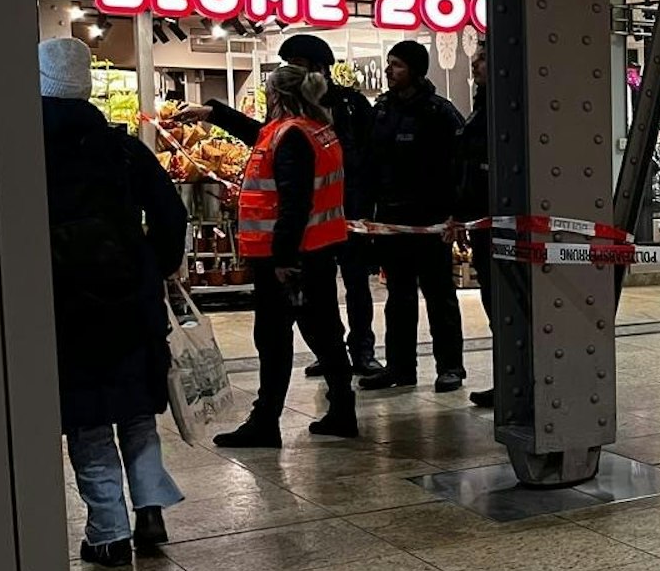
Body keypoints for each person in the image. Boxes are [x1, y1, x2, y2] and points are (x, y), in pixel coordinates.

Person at [42, 38, 189, 566]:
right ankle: (151, 507)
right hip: (130, 300)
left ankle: (107, 532)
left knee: (87, 417)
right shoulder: (124, 148)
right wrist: (154, 265)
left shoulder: (27, 150)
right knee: (133, 409)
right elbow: (172, 216)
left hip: (63, 304)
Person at [172, 66, 359, 447]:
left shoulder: (291, 136)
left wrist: (284, 260)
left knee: (274, 338)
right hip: (315, 250)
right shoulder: (313, 129)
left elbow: (294, 204)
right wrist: (213, 113)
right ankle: (342, 408)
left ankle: (266, 420)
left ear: (277, 96)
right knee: (323, 332)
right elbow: (257, 134)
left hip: (289, 257)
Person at [279, 34, 384, 378]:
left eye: (296, 64)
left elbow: (370, 157)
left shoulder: (350, 105)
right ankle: (330, 352)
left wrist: (368, 206)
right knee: (318, 293)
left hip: (351, 213)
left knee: (356, 286)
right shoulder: (291, 108)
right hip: (314, 220)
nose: (290, 71)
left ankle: (363, 351)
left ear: (317, 67)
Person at [363, 41, 465, 393]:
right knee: (399, 298)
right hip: (392, 222)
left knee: (440, 296)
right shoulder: (382, 111)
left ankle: (451, 367)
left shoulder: (439, 113)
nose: (390, 71)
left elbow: (458, 165)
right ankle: (400, 367)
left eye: (398, 65)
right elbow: (372, 165)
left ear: (416, 71)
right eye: (389, 64)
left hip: (430, 221)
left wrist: (454, 214)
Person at [456, 47, 495, 408]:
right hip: (481, 220)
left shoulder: (499, 112)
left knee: (503, 303)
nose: (475, 66)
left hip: (498, 221)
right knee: (492, 302)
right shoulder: (481, 108)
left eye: (481, 60)